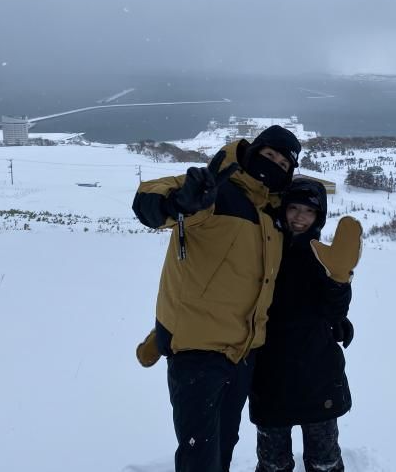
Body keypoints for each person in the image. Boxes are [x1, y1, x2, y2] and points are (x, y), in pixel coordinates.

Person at [131, 125, 302, 472]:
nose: (275, 165)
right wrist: (178, 201)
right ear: (253, 153)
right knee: (200, 458)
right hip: (199, 354)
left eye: (284, 164)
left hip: (243, 355)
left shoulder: (272, 217)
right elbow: (151, 200)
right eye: (269, 155)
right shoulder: (215, 193)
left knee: (223, 446)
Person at [250, 177, 361, 472]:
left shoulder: (324, 257)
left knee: (324, 462)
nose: (299, 217)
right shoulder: (263, 253)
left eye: (309, 211)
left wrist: (339, 280)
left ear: (319, 217)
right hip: (269, 373)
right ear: (283, 209)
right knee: (273, 463)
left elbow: (333, 310)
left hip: (317, 373)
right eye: (294, 208)